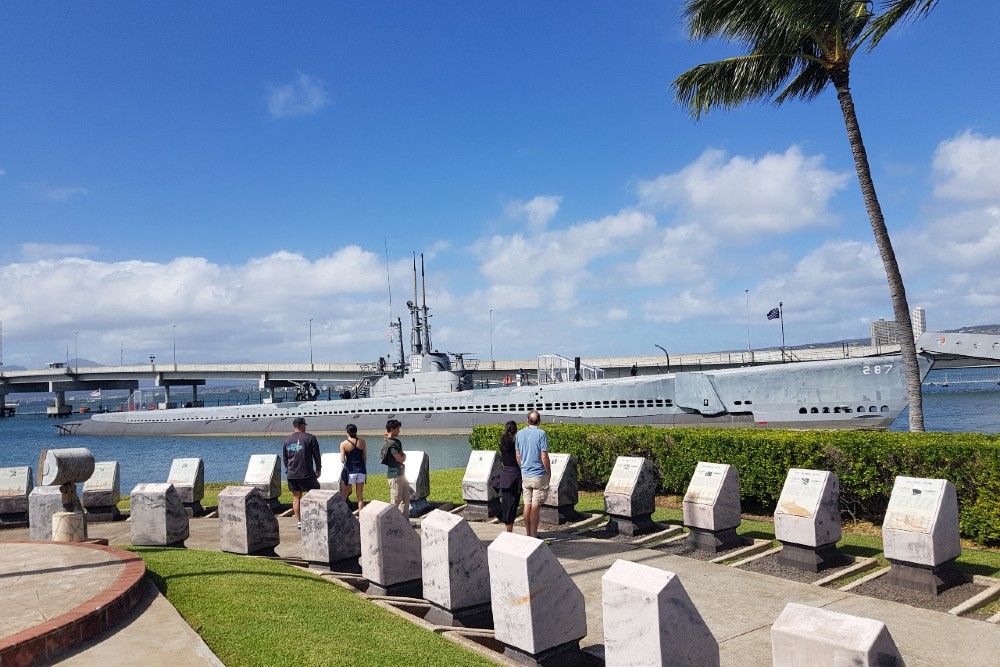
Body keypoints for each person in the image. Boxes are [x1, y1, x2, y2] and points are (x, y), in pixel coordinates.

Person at [515, 410, 550, 538]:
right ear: (539, 421)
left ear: (527, 421)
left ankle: (528, 533)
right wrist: (548, 472)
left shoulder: (519, 434)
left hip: (525, 475)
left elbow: (517, 456)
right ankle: (534, 535)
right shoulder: (541, 434)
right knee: (535, 506)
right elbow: (544, 456)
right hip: (538, 475)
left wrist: (523, 468)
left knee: (527, 504)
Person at [282, 416, 321, 529]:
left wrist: (289, 470)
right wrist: (319, 469)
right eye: (304, 425)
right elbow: (316, 456)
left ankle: (299, 522)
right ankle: (314, 518)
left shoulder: (287, 440)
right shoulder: (310, 438)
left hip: (292, 474)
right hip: (306, 473)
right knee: (314, 495)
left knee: (296, 497)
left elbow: (285, 459)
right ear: (302, 425)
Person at [495, 420, 522, 532]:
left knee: (506, 503)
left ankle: (508, 529)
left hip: (505, 474)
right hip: (514, 474)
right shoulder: (515, 445)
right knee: (512, 504)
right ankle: (509, 531)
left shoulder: (503, 443)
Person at [383, 418, 410, 516]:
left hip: (401, 474)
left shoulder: (396, 442)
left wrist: (403, 456)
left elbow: (402, 457)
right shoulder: (391, 444)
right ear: (392, 429)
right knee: (395, 501)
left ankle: (404, 521)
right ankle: (391, 522)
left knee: (406, 498)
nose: (399, 431)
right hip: (395, 475)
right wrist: (403, 456)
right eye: (397, 429)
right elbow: (400, 458)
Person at [339, 423, 367, 510]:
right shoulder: (362, 442)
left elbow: (342, 460)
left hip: (350, 471)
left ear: (347, 432)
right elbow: (364, 457)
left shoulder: (344, 444)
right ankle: (361, 517)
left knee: (344, 494)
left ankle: (342, 514)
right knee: (360, 496)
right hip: (361, 470)